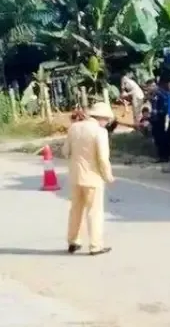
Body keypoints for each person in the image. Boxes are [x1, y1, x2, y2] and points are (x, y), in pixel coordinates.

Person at [62, 102, 116, 256]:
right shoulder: (100, 132)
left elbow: (65, 151)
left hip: (75, 176)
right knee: (94, 212)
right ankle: (95, 245)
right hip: (93, 178)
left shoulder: (74, 128)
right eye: (106, 120)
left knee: (75, 210)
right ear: (102, 118)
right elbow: (103, 159)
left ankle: (73, 241)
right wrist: (108, 177)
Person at [147, 79, 169, 162]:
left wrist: (160, 113)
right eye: (150, 86)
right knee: (156, 137)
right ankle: (161, 156)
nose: (151, 88)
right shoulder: (153, 94)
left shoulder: (161, 93)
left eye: (153, 86)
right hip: (155, 118)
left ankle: (164, 156)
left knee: (161, 137)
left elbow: (164, 106)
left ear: (155, 85)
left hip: (160, 118)